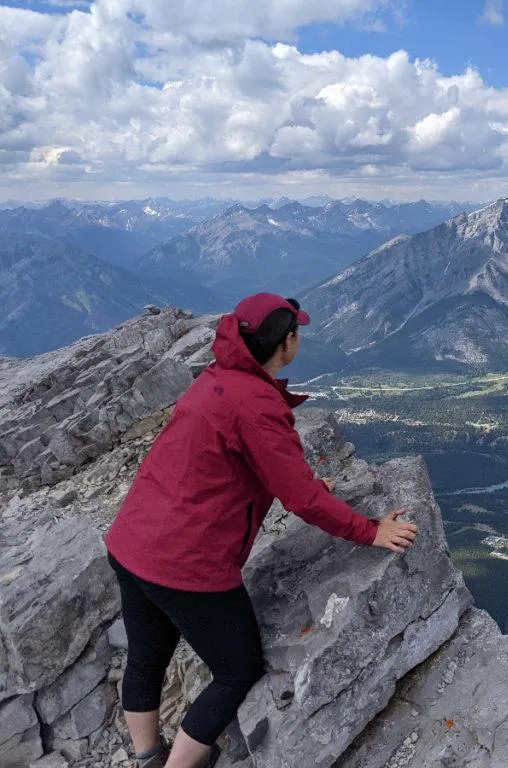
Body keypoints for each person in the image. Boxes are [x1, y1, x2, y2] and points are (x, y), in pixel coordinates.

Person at [104, 293, 418, 768]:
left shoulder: (216, 380)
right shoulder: (256, 404)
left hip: (132, 542)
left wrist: (300, 482)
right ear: (287, 342)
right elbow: (303, 500)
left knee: (148, 655)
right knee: (237, 668)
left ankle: (147, 754)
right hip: (185, 564)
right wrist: (369, 531)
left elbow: (234, 467)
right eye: (298, 333)